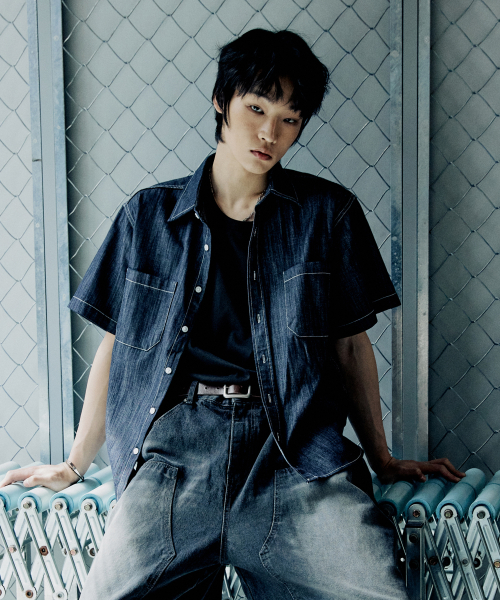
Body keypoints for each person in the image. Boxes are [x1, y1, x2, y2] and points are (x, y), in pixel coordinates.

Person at [1, 29, 464, 599]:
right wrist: (75, 463)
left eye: (290, 119)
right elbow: (118, 347)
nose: (270, 133)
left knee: (378, 593)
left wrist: (383, 458)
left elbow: (350, 345)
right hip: (177, 454)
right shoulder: (148, 217)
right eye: (257, 108)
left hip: (292, 452)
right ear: (222, 100)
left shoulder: (328, 215)